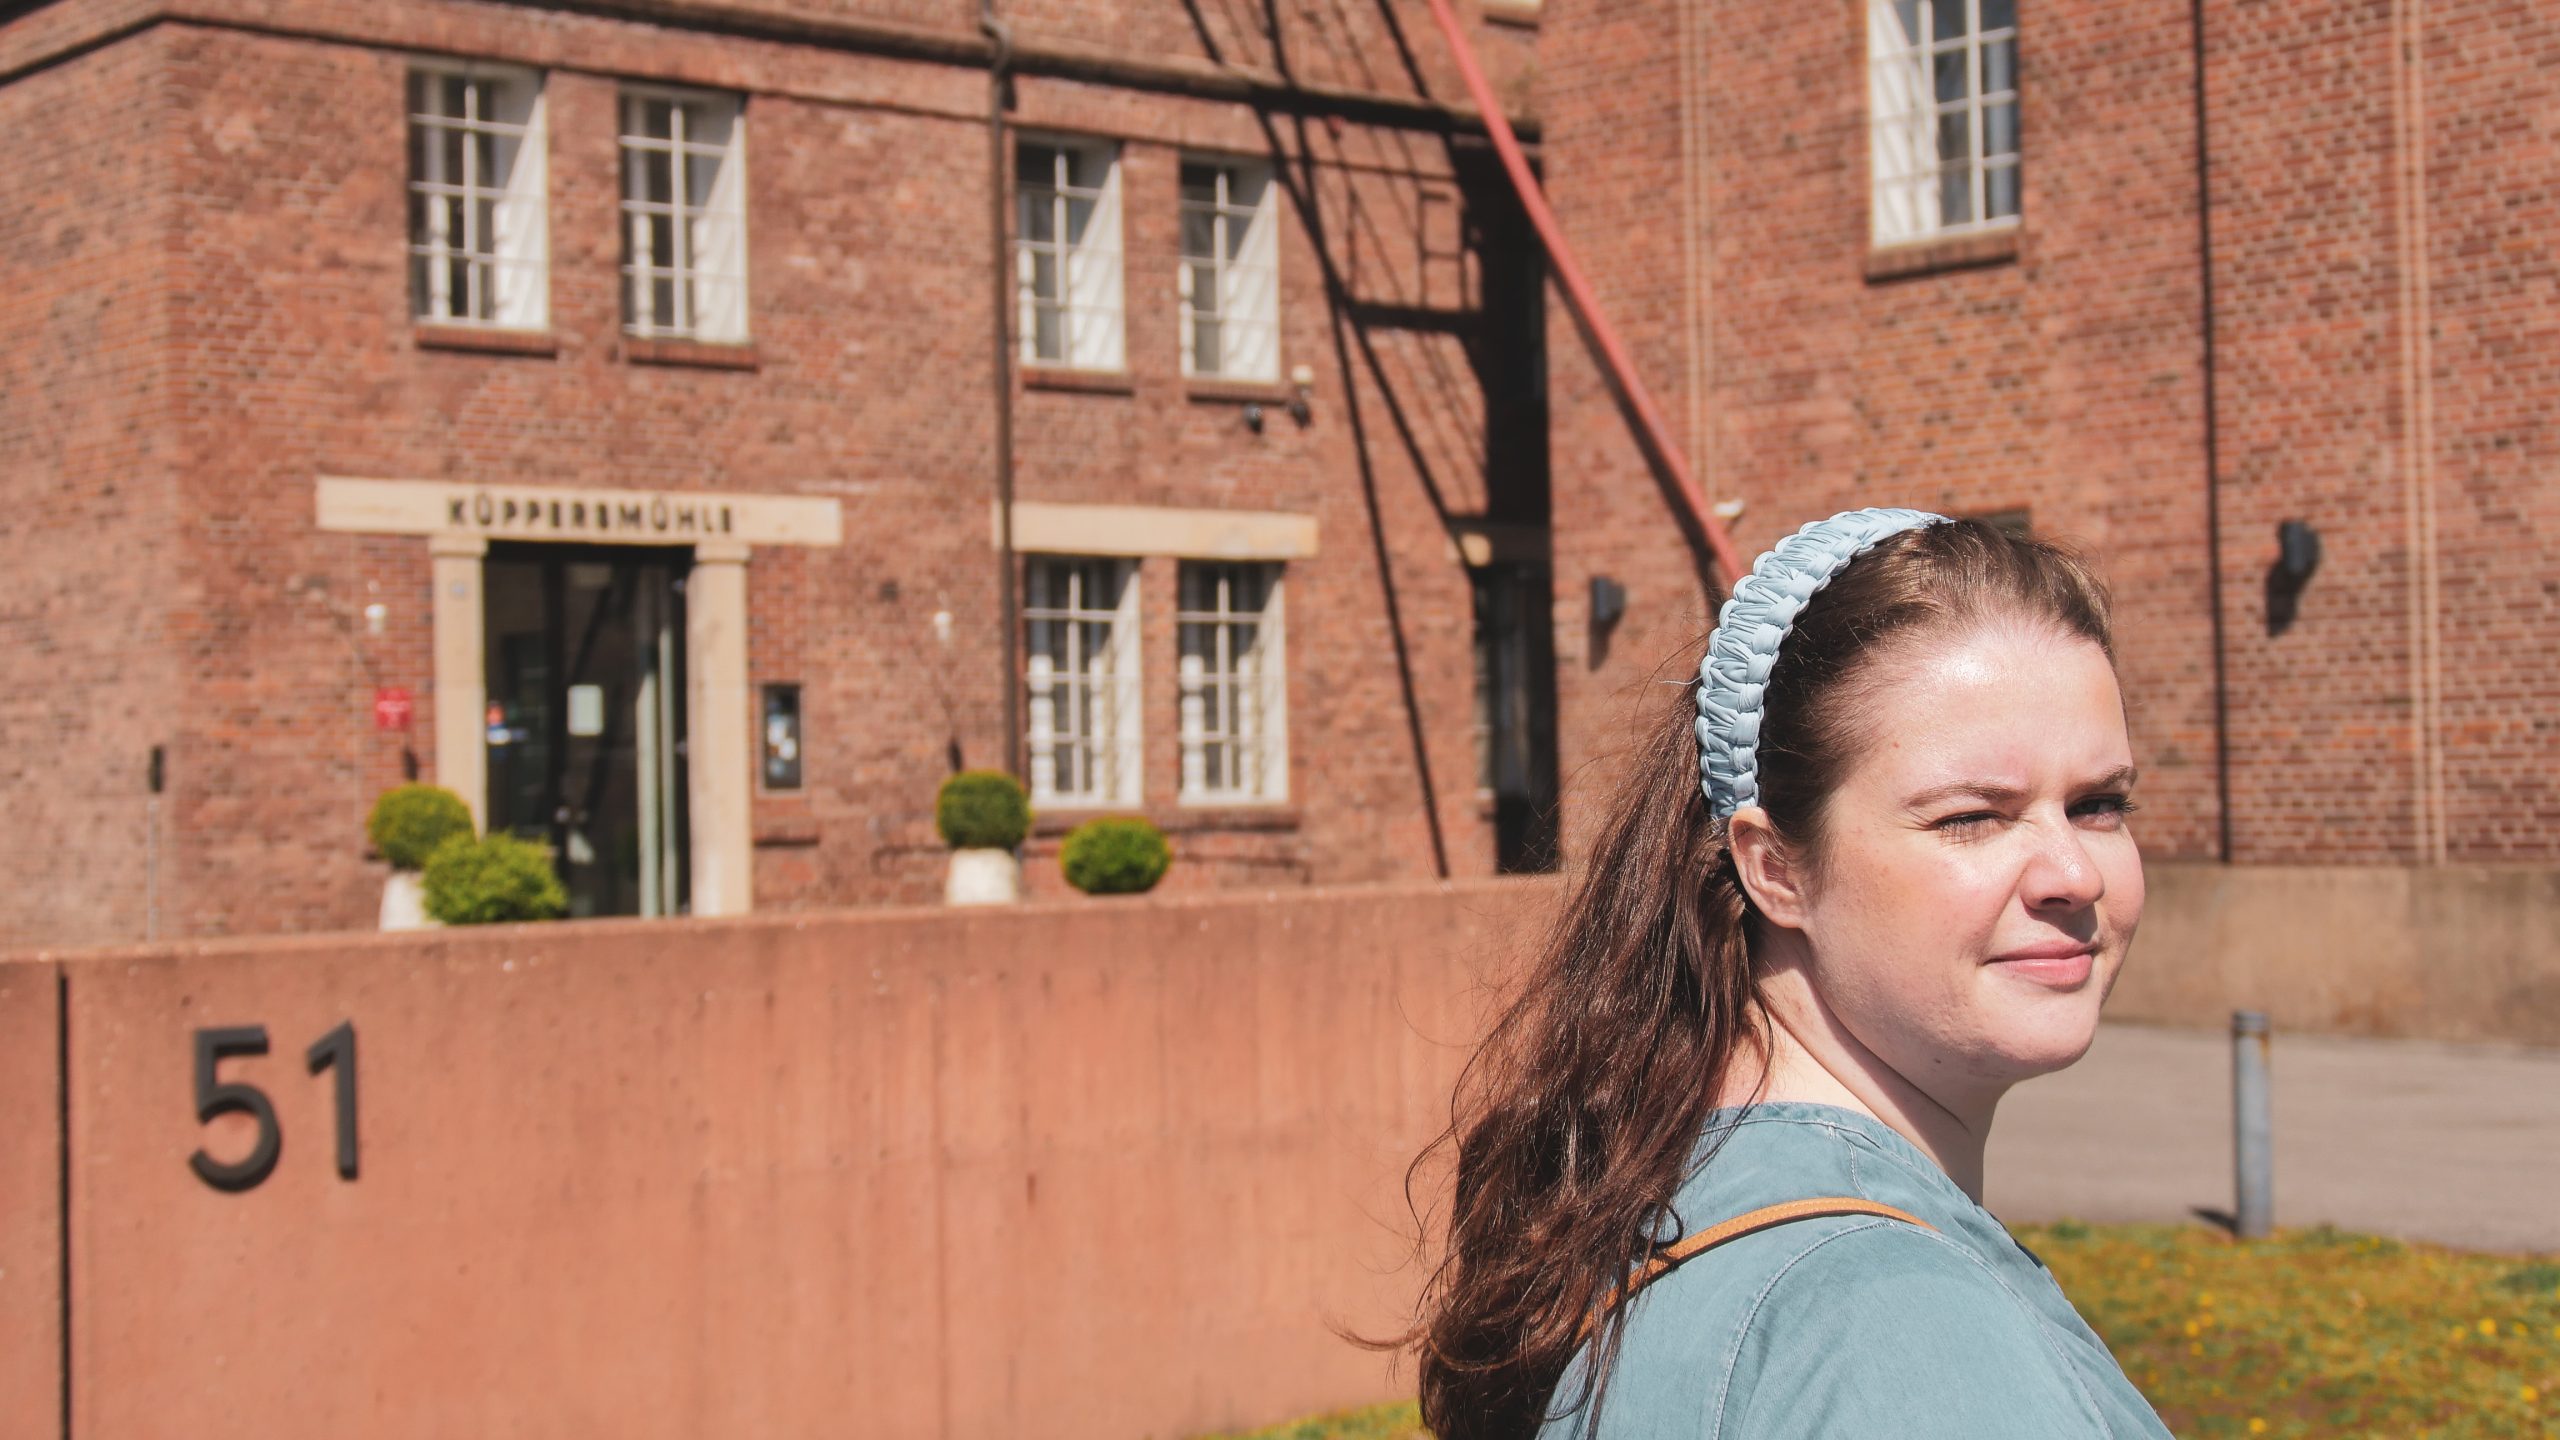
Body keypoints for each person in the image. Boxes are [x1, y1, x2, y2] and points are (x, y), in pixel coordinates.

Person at [1405, 510, 2175, 1439]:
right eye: (1972, 817)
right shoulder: (1898, 1333)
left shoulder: (1660, 1201)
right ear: (1776, 869)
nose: (2076, 875)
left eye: (2098, 805)